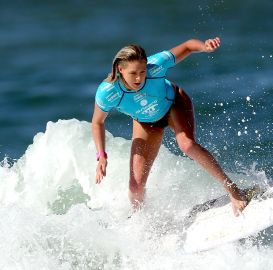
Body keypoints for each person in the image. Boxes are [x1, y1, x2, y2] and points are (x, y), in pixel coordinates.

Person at [91, 37, 247, 216]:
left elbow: (188, 46)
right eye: (133, 73)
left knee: (187, 145)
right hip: (146, 123)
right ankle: (140, 222)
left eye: (142, 71)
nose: (139, 78)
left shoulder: (156, 66)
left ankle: (234, 191)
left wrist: (204, 47)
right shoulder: (107, 93)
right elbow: (97, 122)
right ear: (120, 69)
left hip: (174, 105)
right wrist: (101, 155)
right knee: (135, 187)